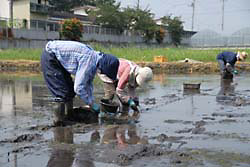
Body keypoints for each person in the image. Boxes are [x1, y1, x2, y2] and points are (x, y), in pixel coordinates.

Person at [41, 40, 119, 125]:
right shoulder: (89, 61)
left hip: (59, 59)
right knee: (61, 92)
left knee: (69, 89)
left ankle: (69, 116)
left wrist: (91, 102)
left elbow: (88, 83)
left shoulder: (95, 59)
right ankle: (59, 122)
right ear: (104, 68)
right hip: (51, 56)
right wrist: (91, 104)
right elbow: (78, 88)